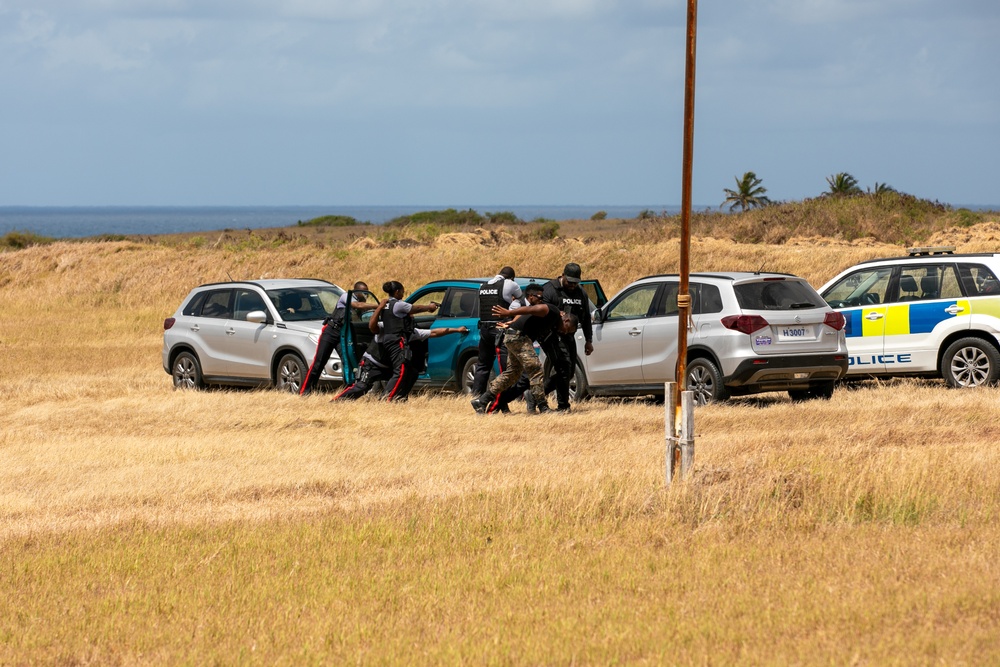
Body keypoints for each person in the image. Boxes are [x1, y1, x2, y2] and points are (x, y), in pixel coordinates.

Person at [470, 284, 574, 415]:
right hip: (519, 337)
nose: (565, 333)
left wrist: (511, 322)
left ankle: (482, 401)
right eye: (568, 329)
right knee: (536, 369)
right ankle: (543, 407)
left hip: (513, 336)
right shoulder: (551, 310)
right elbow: (532, 309)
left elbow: (529, 312)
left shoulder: (554, 319)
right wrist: (509, 313)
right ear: (566, 320)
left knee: (512, 374)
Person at [334, 325, 468, 400]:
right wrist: (380, 308)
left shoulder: (412, 332)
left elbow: (434, 332)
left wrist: (456, 330)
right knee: (362, 387)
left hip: (388, 367)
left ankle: (392, 398)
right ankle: (337, 401)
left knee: (410, 373)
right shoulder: (384, 328)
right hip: (371, 363)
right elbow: (372, 325)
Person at [300, 281, 376, 396]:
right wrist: (378, 305)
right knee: (319, 362)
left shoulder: (361, 302)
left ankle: (348, 390)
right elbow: (357, 306)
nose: (366, 296)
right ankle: (306, 391)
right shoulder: (347, 296)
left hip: (344, 334)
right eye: (364, 293)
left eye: (367, 293)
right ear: (357, 291)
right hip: (331, 331)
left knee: (348, 361)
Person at [541, 262, 594, 412]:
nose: (572, 285)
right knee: (564, 369)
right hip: (552, 336)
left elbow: (586, 319)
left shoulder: (580, 293)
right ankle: (563, 406)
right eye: (569, 282)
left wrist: (588, 341)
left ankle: (536, 394)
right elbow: (541, 313)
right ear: (562, 275)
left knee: (569, 372)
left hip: (569, 336)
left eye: (575, 283)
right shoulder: (550, 290)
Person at [374, 281, 439, 401]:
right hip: (396, 339)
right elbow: (416, 308)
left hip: (388, 338)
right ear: (397, 291)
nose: (403, 294)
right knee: (401, 370)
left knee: (405, 370)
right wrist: (429, 308)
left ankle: (397, 396)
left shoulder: (386, 304)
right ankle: (387, 397)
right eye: (402, 291)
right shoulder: (398, 305)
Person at [472, 267, 525, 396]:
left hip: (484, 329)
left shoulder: (483, 286)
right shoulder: (510, 284)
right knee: (504, 365)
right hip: (500, 328)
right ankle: (503, 397)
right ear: (512, 277)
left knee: (483, 365)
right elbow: (522, 300)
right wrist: (513, 307)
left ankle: (476, 395)